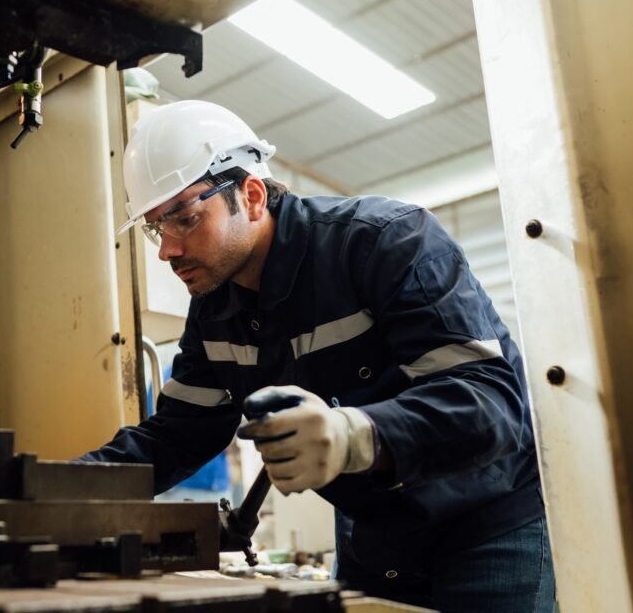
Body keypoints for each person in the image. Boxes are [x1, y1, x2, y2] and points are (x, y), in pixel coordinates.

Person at [79, 100, 556, 612]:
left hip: (487, 525)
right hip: (373, 538)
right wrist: (59, 489)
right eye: (156, 227)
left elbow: (489, 405)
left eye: (186, 220)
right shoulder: (214, 311)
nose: (166, 251)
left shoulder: (385, 242)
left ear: (253, 195)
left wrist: (353, 434)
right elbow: (178, 434)